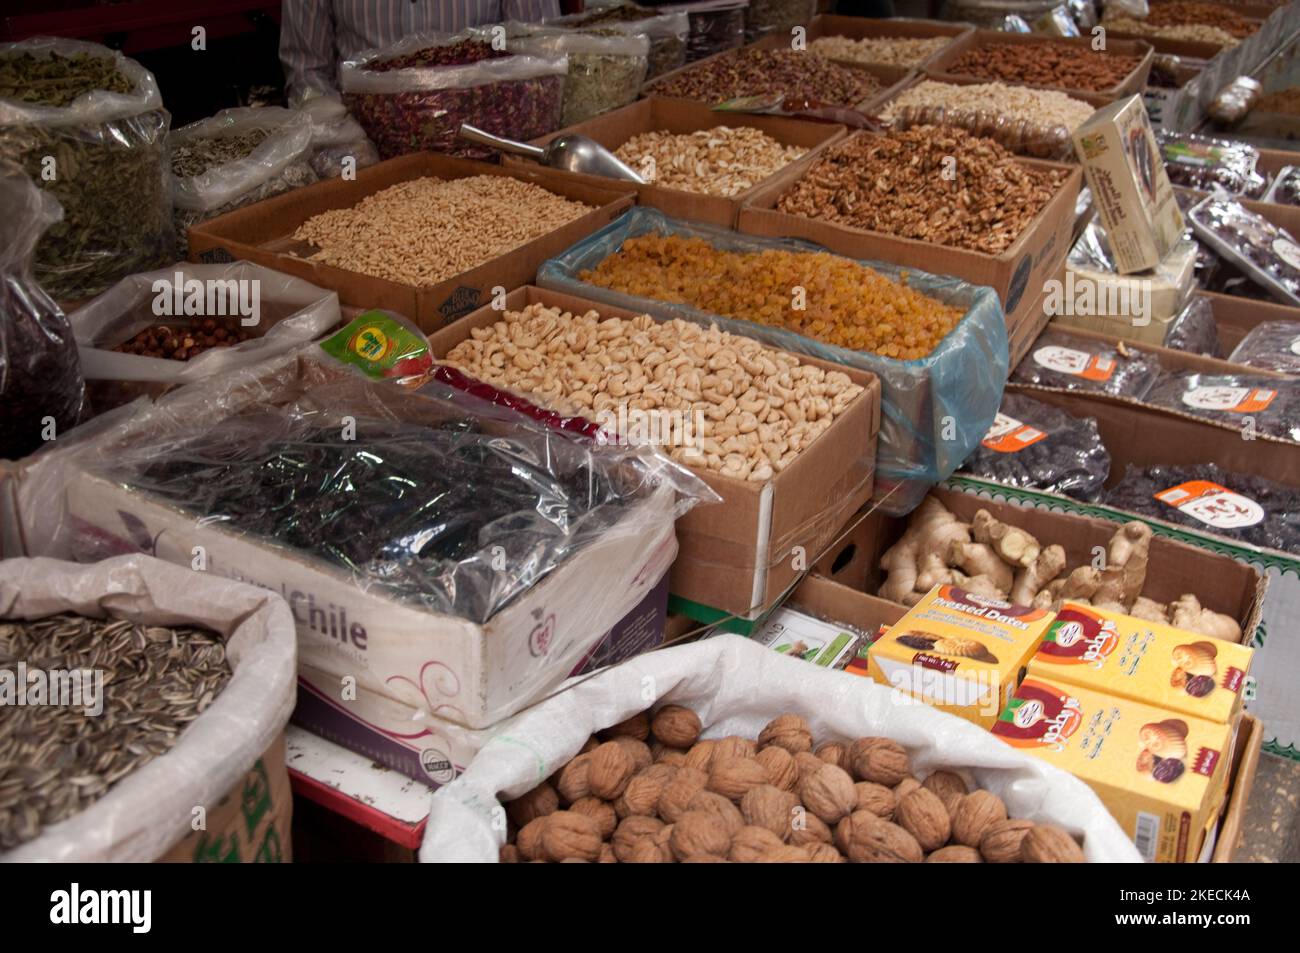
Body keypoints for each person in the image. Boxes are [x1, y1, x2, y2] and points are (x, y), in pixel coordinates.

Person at [280, 0, 561, 102]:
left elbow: (540, 55)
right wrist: (341, 143)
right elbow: (307, 69)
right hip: (365, 156)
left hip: (481, 147)